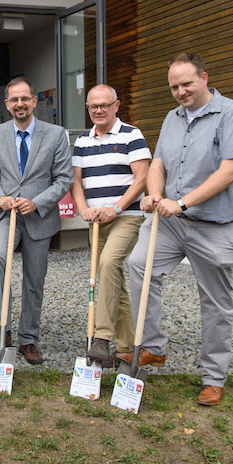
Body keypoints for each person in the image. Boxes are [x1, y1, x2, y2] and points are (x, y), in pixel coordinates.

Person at [117, 53, 233, 406]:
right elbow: (159, 162)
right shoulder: (172, 118)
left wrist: (181, 202)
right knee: (137, 265)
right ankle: (153, 347)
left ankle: (213, 378)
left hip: (215, 226)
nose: (180, 92)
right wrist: (155, 194)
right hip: (171, 221)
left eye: (186, 84)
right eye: (174, 86)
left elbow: (229, 172)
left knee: (215, 303)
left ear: (204, 78)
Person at [0, 76, 73, 365]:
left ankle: (28, 338)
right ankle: (2, 328)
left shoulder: (56, 134)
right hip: (6, 213)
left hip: (39, 216)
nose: (20, 104)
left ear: (34, 101)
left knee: (34, 279)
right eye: (14, 100)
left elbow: (63, 179)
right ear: (7, 104)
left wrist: (37, 202)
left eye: (25, 98)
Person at [71, 84, 151, 367]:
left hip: (126, 217)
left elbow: (142, 178)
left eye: (105, 105)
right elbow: (76, 182)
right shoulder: (82, 141)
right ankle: (128, 348)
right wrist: (83, 209)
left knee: (107, 264)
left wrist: (116, 208)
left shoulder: (132, 135)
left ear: (117, 106)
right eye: (93, 106)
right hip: (96, 221)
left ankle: (101, 338)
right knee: (111, 278)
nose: (99, 110)